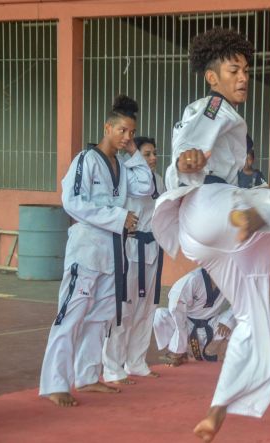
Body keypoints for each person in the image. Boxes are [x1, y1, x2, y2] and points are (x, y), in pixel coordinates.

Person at [150, 28, 270, 442]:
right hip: (207, 206)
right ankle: (256, 215)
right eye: (234, 70)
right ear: (213, 77)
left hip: (207, 237)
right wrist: (186, 159)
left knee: (251, 319)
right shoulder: (214, 106)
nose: (244, 77)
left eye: (247, 69)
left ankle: (218, 409)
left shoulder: (225, 112)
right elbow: (190, 147)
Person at [38, 95, 154, 407]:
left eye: (131, 133)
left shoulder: (124, 165)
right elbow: (72, 202)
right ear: (107, 127)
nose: (127, 137)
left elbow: (146, 186)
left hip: (113, 254)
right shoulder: (85, 161)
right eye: (122, 131)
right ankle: (55, 383)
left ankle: (88, 376)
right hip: (86, 250)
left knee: (100, 318)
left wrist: (134, 154)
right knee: (72, 315)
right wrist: (118, 218)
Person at [102, 136, 165, 384]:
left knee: (146, 309)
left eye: (154, 153)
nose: (153, 158)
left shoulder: (159, 181)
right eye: (147, 154)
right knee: (123, 310)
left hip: (151, 249)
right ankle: (112, 368)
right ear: (135, 156)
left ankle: (136, 362)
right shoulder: (124, 175)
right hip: (128, 248)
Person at [153, 267, 235, 367]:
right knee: (160, 315)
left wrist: (228, 319)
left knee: (243, 323)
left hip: (214, 324)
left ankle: (226, 357)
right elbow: (176, 311)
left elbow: (243, 301)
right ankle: (180, 353)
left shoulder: (231, 279)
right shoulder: (192, 279)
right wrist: (178, 346)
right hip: (187, 324)